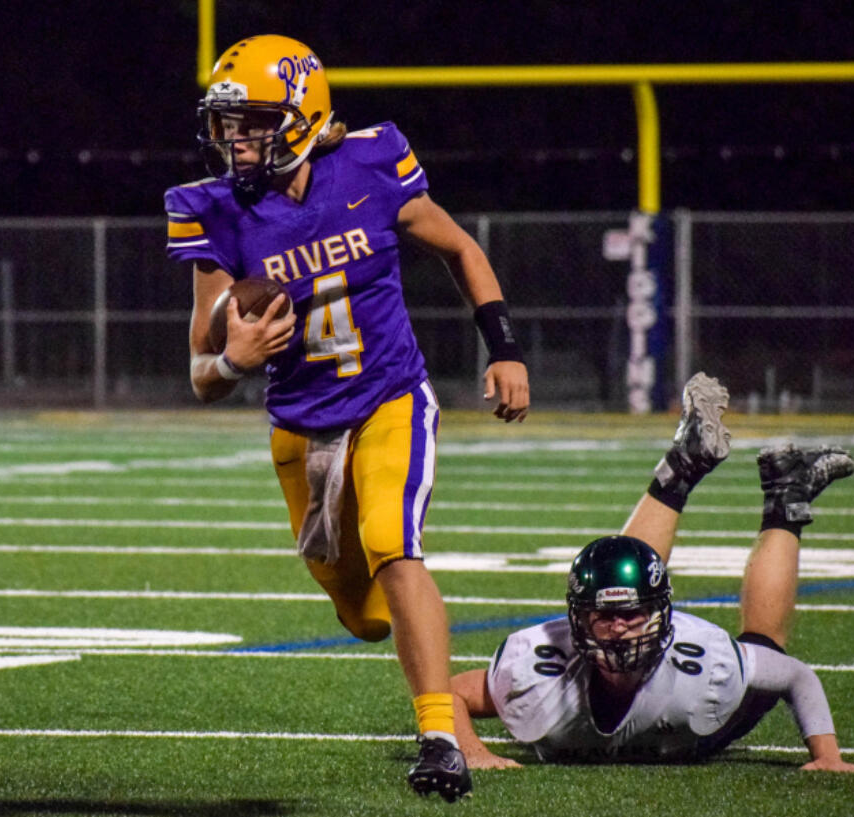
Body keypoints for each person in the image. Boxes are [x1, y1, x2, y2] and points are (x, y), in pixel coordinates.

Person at [165, 34, 530, 802]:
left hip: (390, 393)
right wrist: (234, 359)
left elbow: (460, 248)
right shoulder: (215, 212)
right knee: (362, 612)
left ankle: (440, 736)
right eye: (227, 124)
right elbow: (201, 373)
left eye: (253, 122)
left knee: (395, 545)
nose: (236, 140)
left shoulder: (370, 162)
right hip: (301, 422)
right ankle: (430, 695)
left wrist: (503, 346)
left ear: (303, 114)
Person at [451, 373, 854, 773]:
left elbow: (795, 675)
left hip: (696, 732)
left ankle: (785, 500)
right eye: (604, 615)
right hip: (665, 731)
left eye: (631, 615)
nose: (618, 628)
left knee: (765, 647)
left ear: (660, 616)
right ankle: (705, 471)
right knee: (623, 573)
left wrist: (826, 755)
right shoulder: (539, 667)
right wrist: (471, 751)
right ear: (577, 619)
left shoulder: (706, 664)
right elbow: (448, 692)